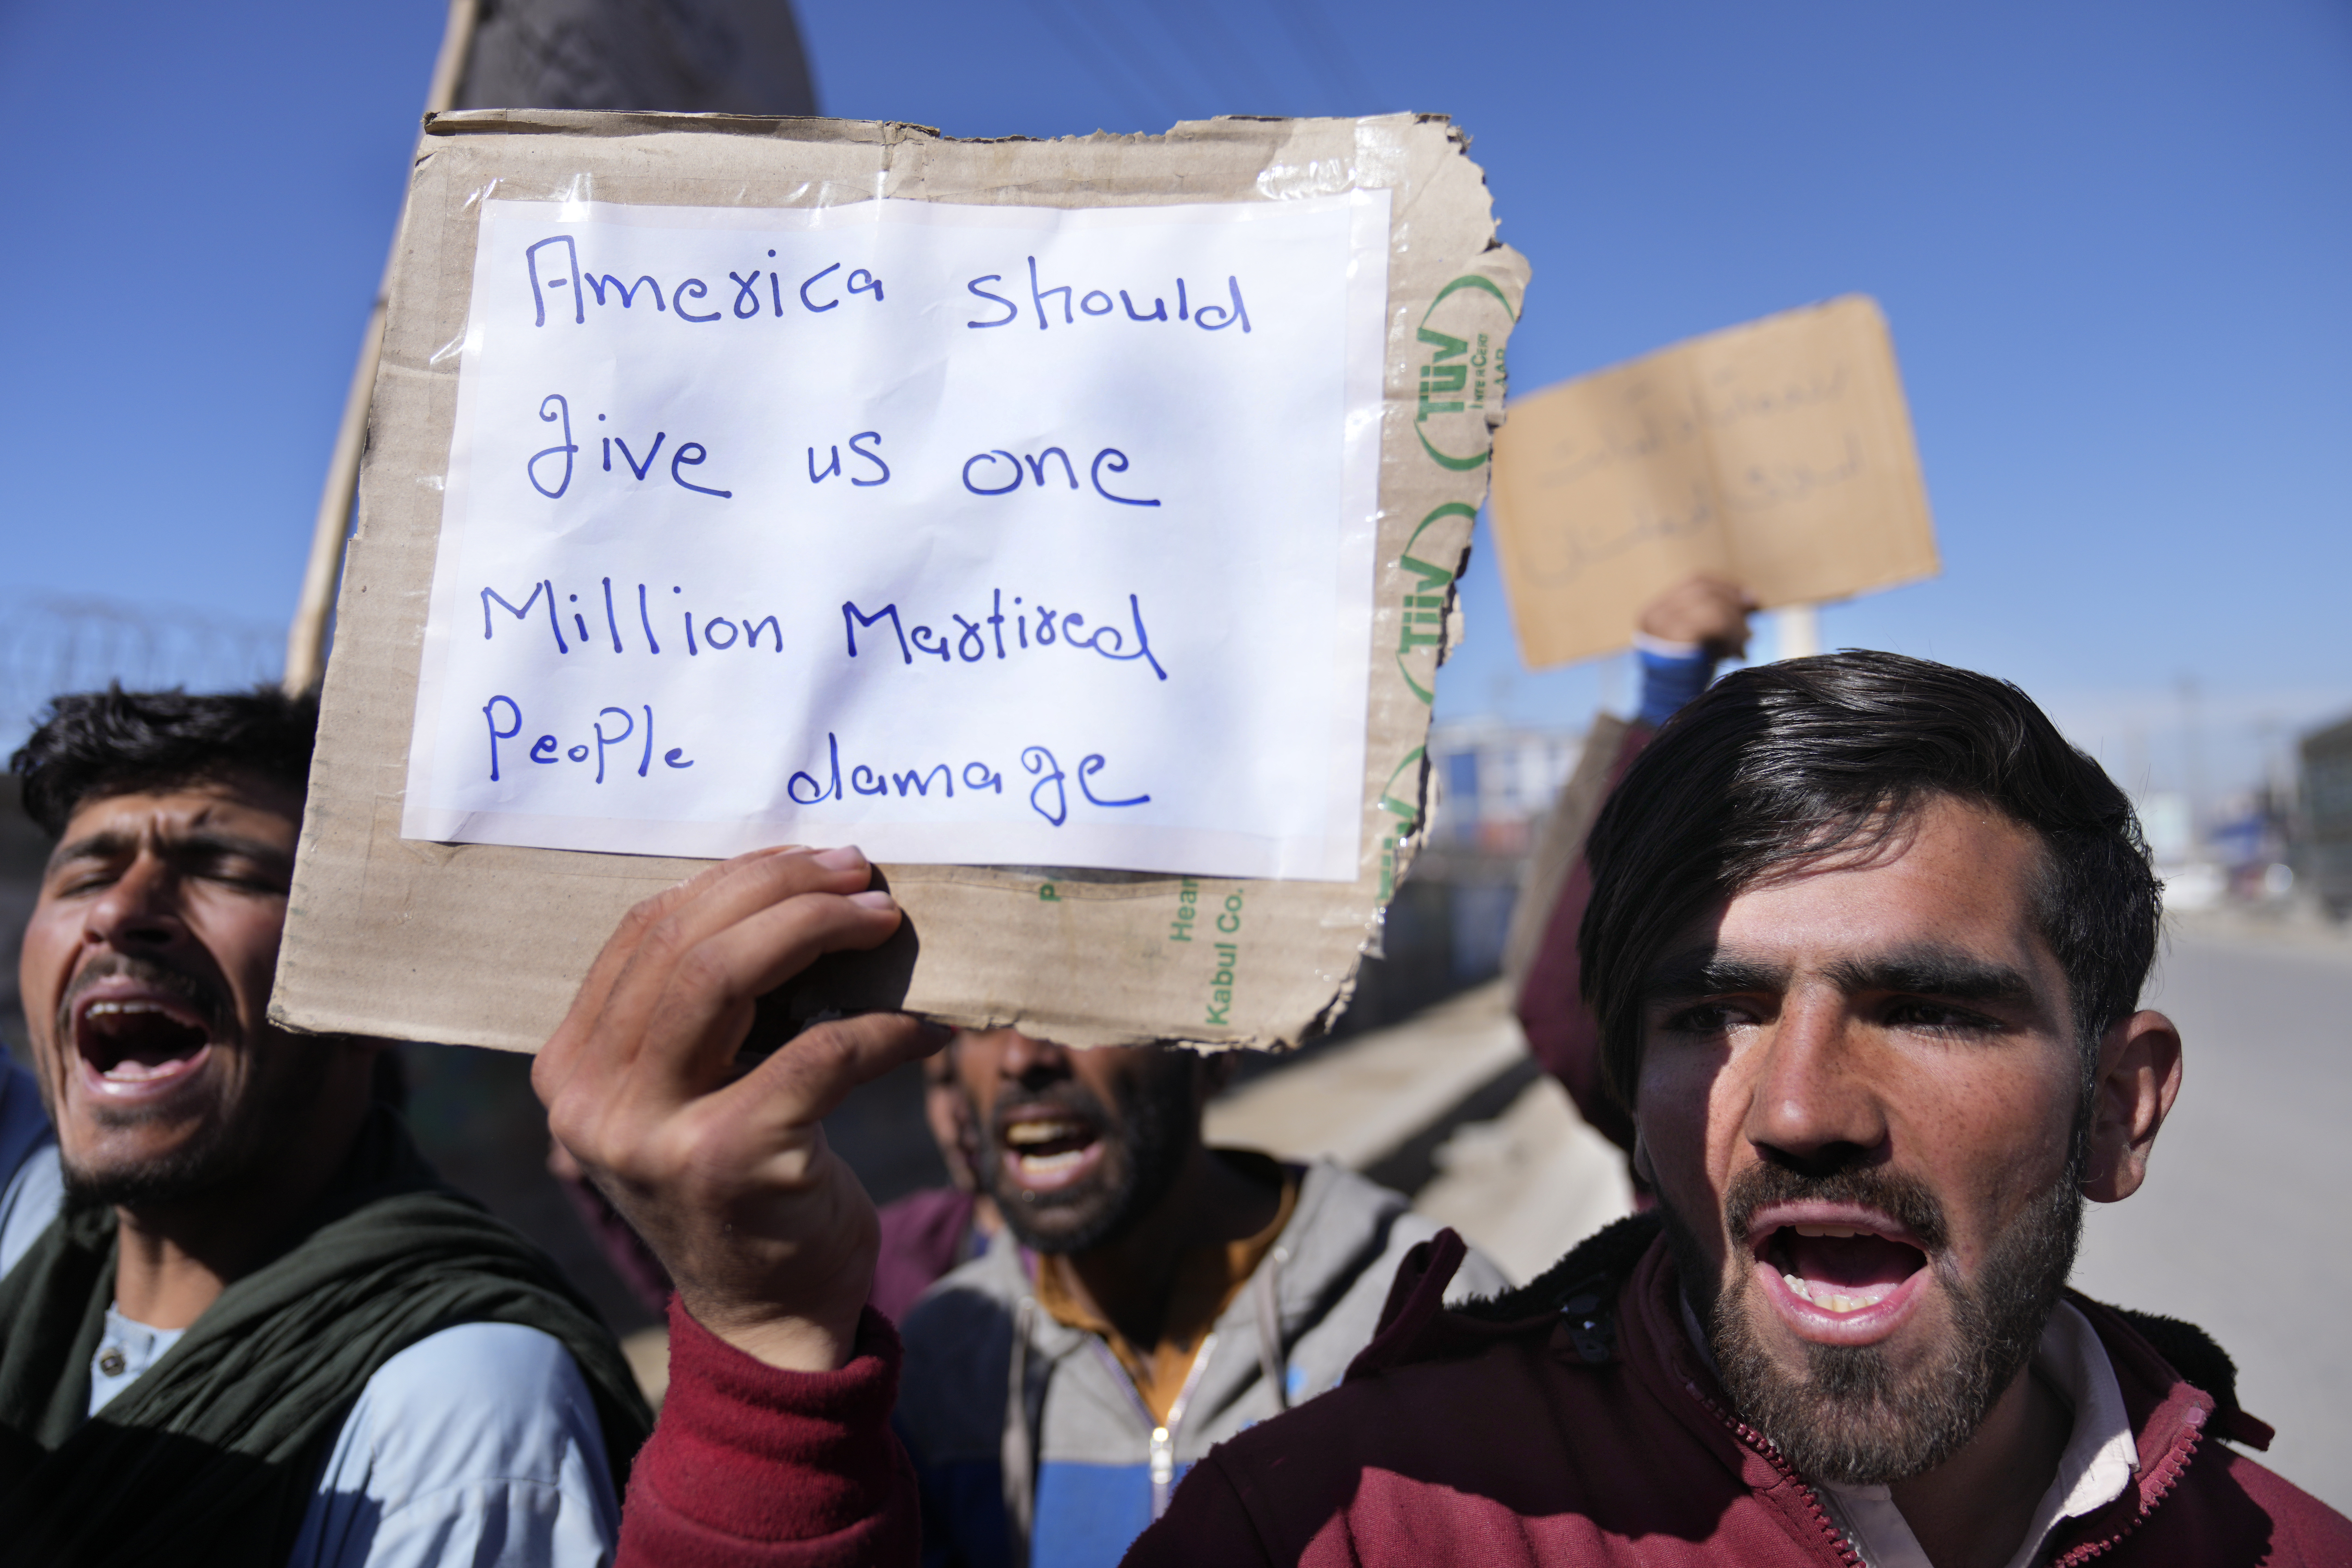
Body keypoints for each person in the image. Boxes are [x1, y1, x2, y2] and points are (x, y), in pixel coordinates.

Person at [542, 650, 2352, 1568]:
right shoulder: (1350, 1526)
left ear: (2121, 1108)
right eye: (1711, 1015)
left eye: (1929, 1009)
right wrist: (771, 1359)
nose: (1798, 1105)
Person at [0, 687, 649, 1566]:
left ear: (368, 989)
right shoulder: (35, 1233)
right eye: (85, 874)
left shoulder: (460, 1415)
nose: (120, 912)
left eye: (221, 868)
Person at [896, 1027, 1506, 1565]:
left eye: (1085, 1003)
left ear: (1218, 1049)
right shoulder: (941, 1363)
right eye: (983, 1016)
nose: (1023, 1056)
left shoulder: (1429, 1317)